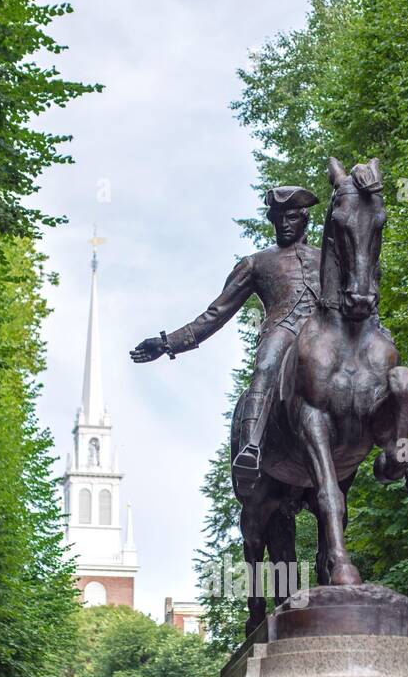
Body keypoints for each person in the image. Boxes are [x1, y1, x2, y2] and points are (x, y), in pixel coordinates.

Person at [130, 186, 321, 495]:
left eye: (292, 217)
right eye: (278, 218)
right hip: (283, 331)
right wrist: (167, 343)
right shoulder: (256, 264)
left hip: (325, 335)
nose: (285, 224)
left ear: (305, 219)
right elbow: (215, 314)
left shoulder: (328, 260)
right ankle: (250, 449)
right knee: (267, 364)